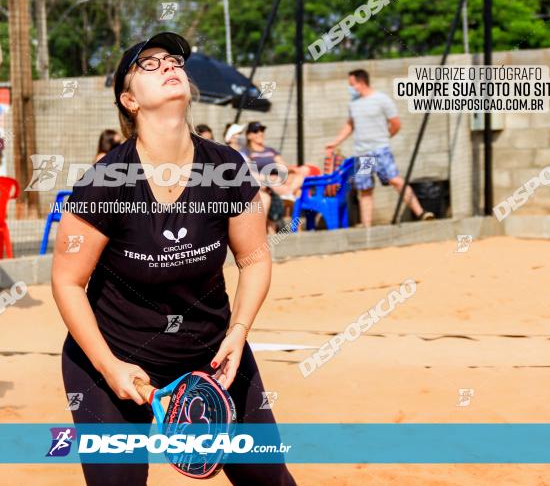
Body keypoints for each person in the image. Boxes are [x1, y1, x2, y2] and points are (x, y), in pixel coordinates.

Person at [52, 32, 295, 486]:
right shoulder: (105, 182)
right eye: (148, 64)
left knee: (270, 480)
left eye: (172, 59)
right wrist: (110, 367)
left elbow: (255, 259)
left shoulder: (227, 167)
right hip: (114, 358)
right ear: (129, 100)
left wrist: (238, 333)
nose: (167, 65)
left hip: (211, 354)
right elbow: (67, 283)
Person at [325, 69, 434, 227]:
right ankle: (367, 227)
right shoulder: (353, 104)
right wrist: (335, 142)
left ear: (361, 83)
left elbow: (396, 124)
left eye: (352, 84)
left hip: (380, 150)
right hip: (363, 155)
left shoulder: (382, 100)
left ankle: (421, 213)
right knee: (365, 188)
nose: (350, 88)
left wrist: (383, 138)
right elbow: (350, 125)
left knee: (395, 180)